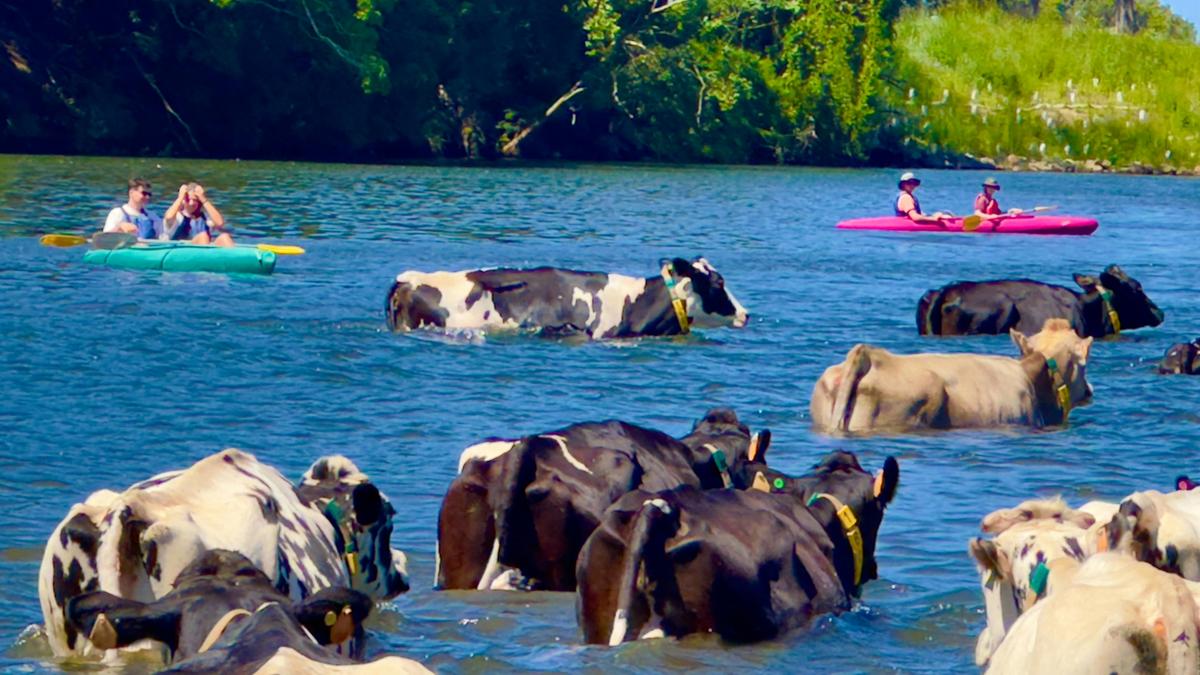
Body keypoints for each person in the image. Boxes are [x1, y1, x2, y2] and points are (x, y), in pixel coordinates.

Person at [164, 182, 233, 246]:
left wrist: (203, 199)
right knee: (203, 237)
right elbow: (168, 217)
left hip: (202, 250)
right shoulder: (177, 217)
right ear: (183, 200)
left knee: (224, 237)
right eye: (188, 200)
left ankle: (233, 258)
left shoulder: (205, 219)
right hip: (181, 251)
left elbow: (220, 223)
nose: (191, 203)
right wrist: (180, 197)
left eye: (195, 200)